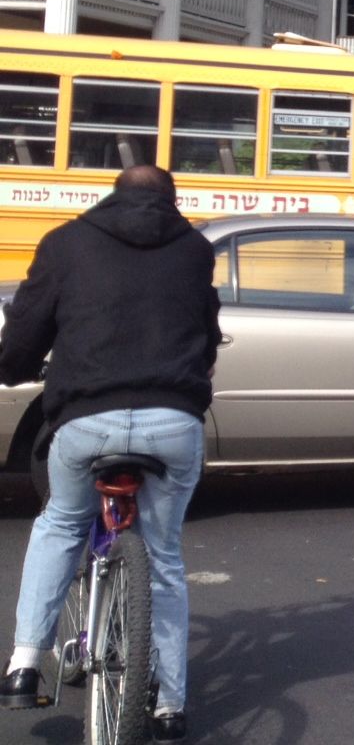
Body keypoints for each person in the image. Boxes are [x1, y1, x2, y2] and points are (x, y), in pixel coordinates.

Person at [0, 165, 220, 742]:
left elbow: (24, 333)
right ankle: (171, 704)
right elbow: (206, 332)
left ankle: (26, 663)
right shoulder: (195, 250)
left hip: (85, 419)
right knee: (164, 555)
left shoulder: (66, 242)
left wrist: (14, 367)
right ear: (171, 202)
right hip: (172, 420)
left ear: (112, 196)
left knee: (62, 522)